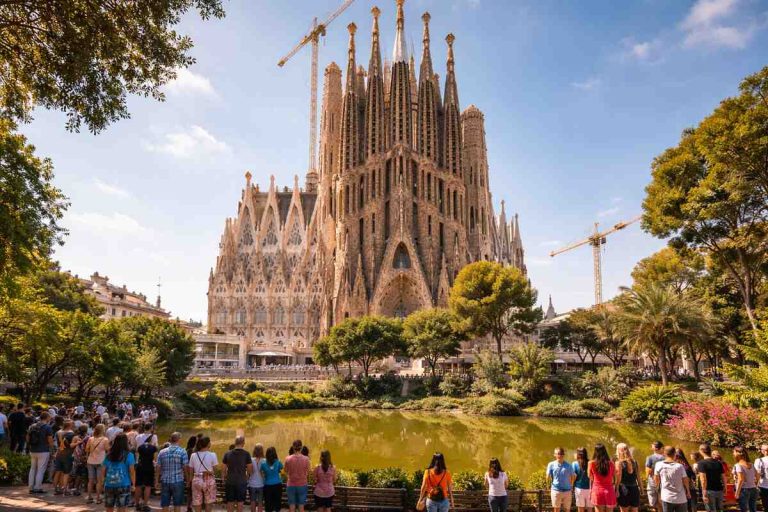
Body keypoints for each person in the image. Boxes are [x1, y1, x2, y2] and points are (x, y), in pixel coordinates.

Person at [102, 433, 136, 512]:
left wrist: (103, 481)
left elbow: (103, 470)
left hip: (109, 484)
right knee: (122, 508)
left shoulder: (109, 455)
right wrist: (133, 484)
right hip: (124, 484)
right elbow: (132, 471)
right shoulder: (129, 455)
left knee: (109, 508)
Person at [157, 432, 190, 512]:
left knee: (165, 504)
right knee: (177, 505)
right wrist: (188, 480)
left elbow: (158, 467)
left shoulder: (162, 452)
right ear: (179, 440)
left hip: (165, 480)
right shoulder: (182, 452)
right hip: (178, 481)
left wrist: (156, 480)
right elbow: (185, 467)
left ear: (171, 439)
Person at [654, 446, 691, 512]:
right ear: (674, 454)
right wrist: (688, 491)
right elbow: (685, 480)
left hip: (666, 497)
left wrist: (658, 492)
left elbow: (656, 480)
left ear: (664, 453)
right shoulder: (680, 466)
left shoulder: (658, 465)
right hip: (681, 498)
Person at [222, 435, 252, 512]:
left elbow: (223, 469)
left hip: (230, 481)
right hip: (241, 481)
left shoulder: (227, 454)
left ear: (235, 443)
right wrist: (247, 476)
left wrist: (223, 479)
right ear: (243, 443)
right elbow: (249, 469)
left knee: (230, 502)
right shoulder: (246, 454)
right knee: (240, 502)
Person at [27, 411, 54, 494]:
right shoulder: (47, 427)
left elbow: (27, 437)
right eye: (49, 417)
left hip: (33, 450)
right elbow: (50, 440)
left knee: (33, 469)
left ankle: (31, 487)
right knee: (40, 470)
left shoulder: (32, 426)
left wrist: (31, 445)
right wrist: (52, 449)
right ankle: (37, 487)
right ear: (47, 418)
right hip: (43, 450)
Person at [189, 436, 218, 512]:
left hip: (197, 479)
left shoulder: (193, 455)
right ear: (208, 444)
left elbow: (191, 471)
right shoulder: (213, 455)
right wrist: (209, 471)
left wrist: (190, 481)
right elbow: (215, 470)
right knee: (209, 502)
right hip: (209, 479)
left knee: (197, 502)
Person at [589, 443, 617, 512]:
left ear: (595, 451)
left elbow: (590, 477)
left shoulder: (591, 463)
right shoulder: (611, 463)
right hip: (609, 490)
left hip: (597, 491)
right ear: (605, 451)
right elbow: (614, 478)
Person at [285, 439, 311, 512]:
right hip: (302, 484)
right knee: (301, 506)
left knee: (292, 505)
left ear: (293, 447)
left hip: (291, 484)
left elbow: (286, 471)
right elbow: (308, 471)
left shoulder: (288, 458)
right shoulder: (306, 459)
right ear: (301, 447)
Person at [135, 433, 159, 512]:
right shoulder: (153, 448)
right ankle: (145, 504)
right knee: (147, 486)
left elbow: (137, 457)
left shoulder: (140, 447)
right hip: (149, 467)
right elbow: (155, 460)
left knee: (138, 486)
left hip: (140, 466)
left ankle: (137, 504)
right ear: (151, 440)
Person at [697, 444, 725, 512]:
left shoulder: (701, 463)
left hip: (709, 491)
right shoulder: (719, 462)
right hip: (719, 489)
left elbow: (703, 479)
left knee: (711, 510)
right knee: (720, 509)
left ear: (701, 451)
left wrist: (704, 493)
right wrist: (725, 487)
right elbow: (723, 477)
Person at [86, 423, 109, 504]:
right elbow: (107, 449)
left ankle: (89, 497)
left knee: (90, 480)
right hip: (101, 461)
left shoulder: (90, 439)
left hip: (90, 460)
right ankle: (98, 498)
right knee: (100, 481)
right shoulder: (105, 439)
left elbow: (87, 449)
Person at [547, 447, 575, 512]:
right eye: (558, 453)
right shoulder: (551, 464)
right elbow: (547, 476)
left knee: (567, 510)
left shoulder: (569, 465)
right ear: (555, 455)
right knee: (556, 509)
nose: (560, 455)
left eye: (561, 454)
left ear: (564, 455)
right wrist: (548, 486)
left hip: (567, 491)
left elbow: (573, 476)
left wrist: (571, 485)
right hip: (556, 490)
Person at [616, 443, 641, 512]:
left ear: (618, 451)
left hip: (624, 490)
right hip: (634, 489)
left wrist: (616, 489)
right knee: (635, 510)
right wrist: (641, 489)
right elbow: (638, 477)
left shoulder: (619, 463)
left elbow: (619, 478)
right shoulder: (635, 462)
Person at [52, 420, 75, 496]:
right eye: (72, 424)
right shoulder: (71, 433)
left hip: (59, 454)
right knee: (66, 473)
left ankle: (56, 489)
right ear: (69, 425)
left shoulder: (58, 432)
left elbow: (58, 444)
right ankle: (65, 489)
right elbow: (71, 445)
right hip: (67, 454)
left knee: (57, 472)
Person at [733, 446, 759, 512]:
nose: (733, 453)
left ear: (737, 453)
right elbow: (758, 476)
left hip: (743, 490)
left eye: (734, 452)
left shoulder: (738, 465)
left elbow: (741, 479)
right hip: (753, 489)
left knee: (743, 509)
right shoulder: (752, 465)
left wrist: (737, 492)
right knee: (753, 509)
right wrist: (755, 485)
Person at [261, 447, 284, 512]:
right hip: (277, 484)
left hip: (267, 485)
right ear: (275, 453)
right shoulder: (278, 462)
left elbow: (262, 473)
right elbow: (282, 470)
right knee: (277, 503)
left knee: (268, 504)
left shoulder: (263, 464)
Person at [646, 441, 666, 512]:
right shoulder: (665, 458)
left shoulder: (650, 458)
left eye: (652, 446)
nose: (651, 447)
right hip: (662, 481)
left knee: (653, 502)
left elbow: (648, 470)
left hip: (652, 481)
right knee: (661, 501)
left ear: (656, 448)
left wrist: (647, 478)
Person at [573, 447, 592, 512]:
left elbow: (573, 477)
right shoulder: (590, 463)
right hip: (590, 489)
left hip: (579, 489)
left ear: (578, 454)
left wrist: (571, 487)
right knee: (590, 508)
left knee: (580, 508)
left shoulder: (575, 464)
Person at [248, 444, 265, 512]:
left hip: (252, 484)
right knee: (260, 502)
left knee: (252, 502)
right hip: (261, 484)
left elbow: (249, 473)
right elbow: (264, 474)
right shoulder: (264, 460)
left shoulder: (250, 460)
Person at [753, 444, 768, 512]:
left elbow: (756, 474)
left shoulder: (759, 460)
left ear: (764, 451)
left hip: (763, 486)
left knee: (766, 505)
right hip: (763, 485)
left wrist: (755, 485)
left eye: (761, 449)